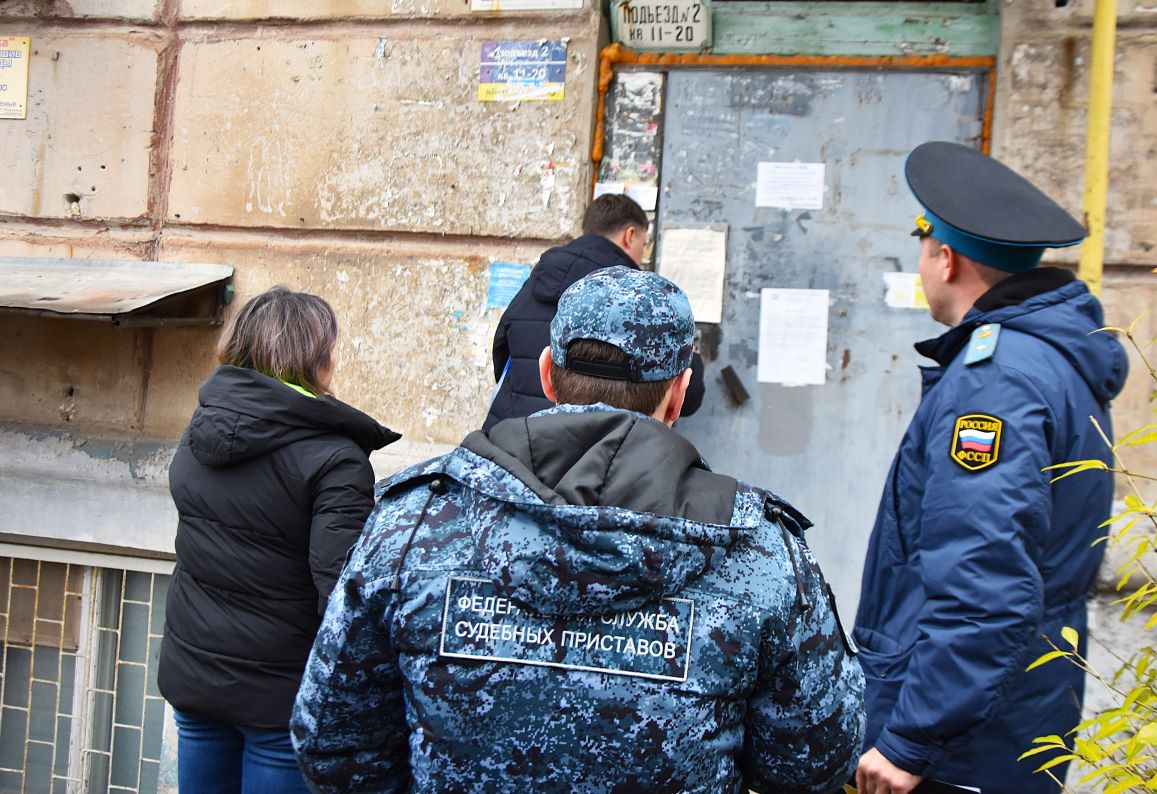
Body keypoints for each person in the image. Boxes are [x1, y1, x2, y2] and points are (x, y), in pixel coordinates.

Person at [293, 266, 864, 792]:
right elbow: (814, 763)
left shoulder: (412, 522)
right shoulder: (758, 550)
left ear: (547, 373)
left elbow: (332, 741)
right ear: (678, 394)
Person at [853, 142, 1129, 794]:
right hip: (1015, 702)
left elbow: (984, 579)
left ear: (945, 259)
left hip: (966, 734)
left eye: (924, 247)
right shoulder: (1048, 356)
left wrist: (911, 738)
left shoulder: (995, 381)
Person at [158, 286, 400, 793]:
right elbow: (341, 594)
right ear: (316, 359)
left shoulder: (202, 426)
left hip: (195, 673)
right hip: (278, 696)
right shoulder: (336, 460)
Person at [484, 193, 704, 431]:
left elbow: (500, 352)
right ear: (630, 235)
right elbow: (687, 397)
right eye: (643, 243)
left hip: (514, 432)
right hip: (604, 442)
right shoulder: (642, 301)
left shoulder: (537, 281)